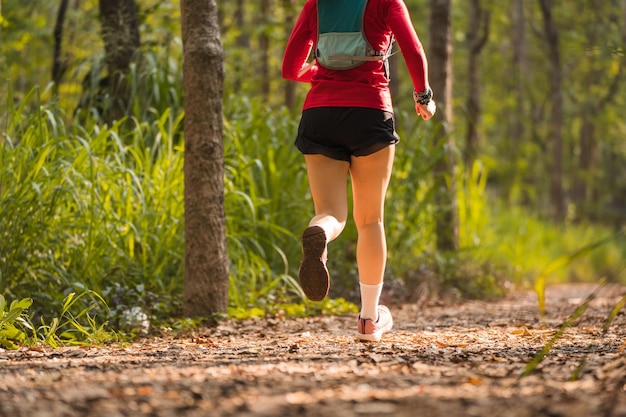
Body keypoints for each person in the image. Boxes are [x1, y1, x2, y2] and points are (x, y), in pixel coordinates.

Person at [281, 0, 436, 342]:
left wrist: (318, 73)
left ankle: (319, 232)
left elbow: (290, 68)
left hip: (320, 114)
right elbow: (413, 48)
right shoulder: (386, 2)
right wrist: (423, 96)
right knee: (370, 221)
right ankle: (369, 319)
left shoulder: (317, 5)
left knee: (330, 212)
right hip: (370, 112)